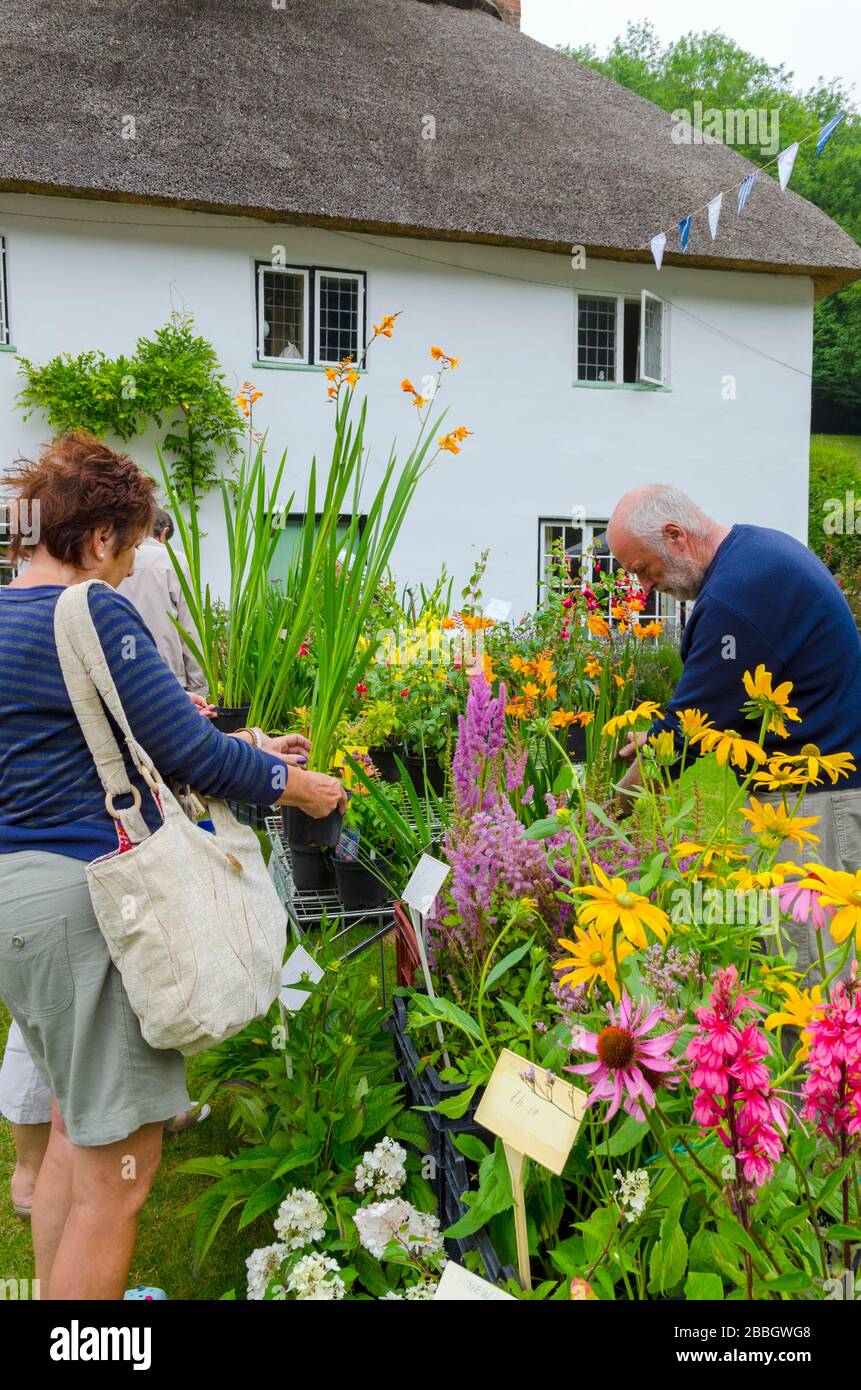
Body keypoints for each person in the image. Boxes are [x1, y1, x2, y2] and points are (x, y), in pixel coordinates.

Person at [0, 431, 346, 1300]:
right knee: (121, 1177)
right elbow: (191, 754)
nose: (128, 570)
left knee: (78, 1130)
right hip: (90, 899)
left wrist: (245, 744)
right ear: (103, 537)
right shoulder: (89, 609)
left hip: (18, 899)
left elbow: (92, 741)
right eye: (132, 546)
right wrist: (297, 786)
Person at [605, 484, 861, 978]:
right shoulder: (755, 555)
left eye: (641, 569)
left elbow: (688, 732)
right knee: (809, 965)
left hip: (814, 805)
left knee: (813, 976)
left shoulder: (735, 598)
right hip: (814, 793)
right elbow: (711, 705)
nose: (643, 586)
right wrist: (664, 732)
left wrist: (607, 812)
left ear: (675, 536)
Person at [118, 504, 210, 702]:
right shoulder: (174, 561)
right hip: (167, 678)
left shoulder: (114, 557)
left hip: (120, 676)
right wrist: (200, 688)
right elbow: (190, 628)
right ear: (164, 533)